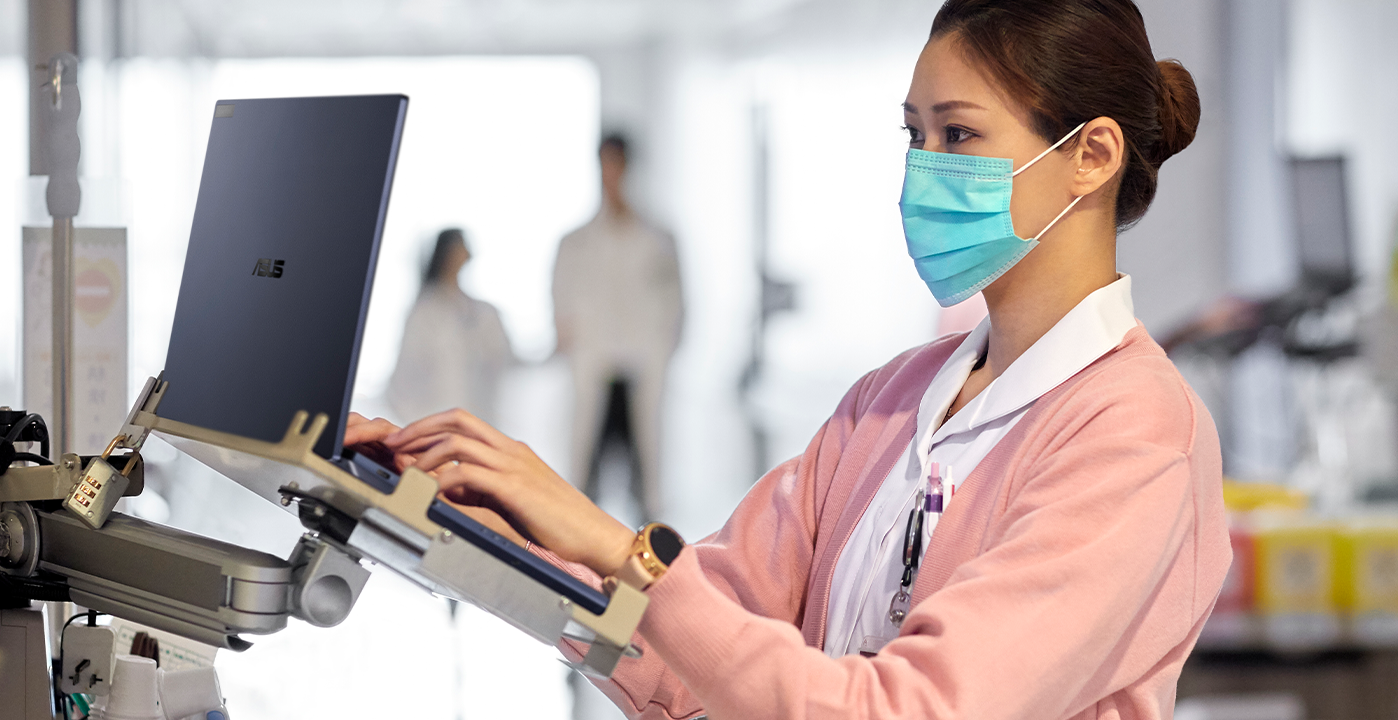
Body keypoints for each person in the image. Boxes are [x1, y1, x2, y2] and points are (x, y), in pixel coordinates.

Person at [347, 0, 1231, 717]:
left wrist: (628, 555)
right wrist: (462, 519)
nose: (924, 170)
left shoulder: (1137, 435)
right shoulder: (889, 402)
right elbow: (689, 657)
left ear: (1092, 155)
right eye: (913, 136)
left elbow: (913, 709)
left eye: (958, 136)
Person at [551, 133, 683, 522]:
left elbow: (676, 304)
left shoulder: (659, 239)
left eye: (618, 165)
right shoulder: (575, 243)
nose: (612, 174)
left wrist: (662, 346)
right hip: (594, 363)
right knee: (586, 471)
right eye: (606, 165)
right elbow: (562, 305)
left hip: (643, 363)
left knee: (644, 471)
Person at [386, 228, 514, 425]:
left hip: (475, 418)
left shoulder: (482, 312)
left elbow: (501, 358)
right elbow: (405, 375)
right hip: (430, 416)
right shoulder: (424, 312)